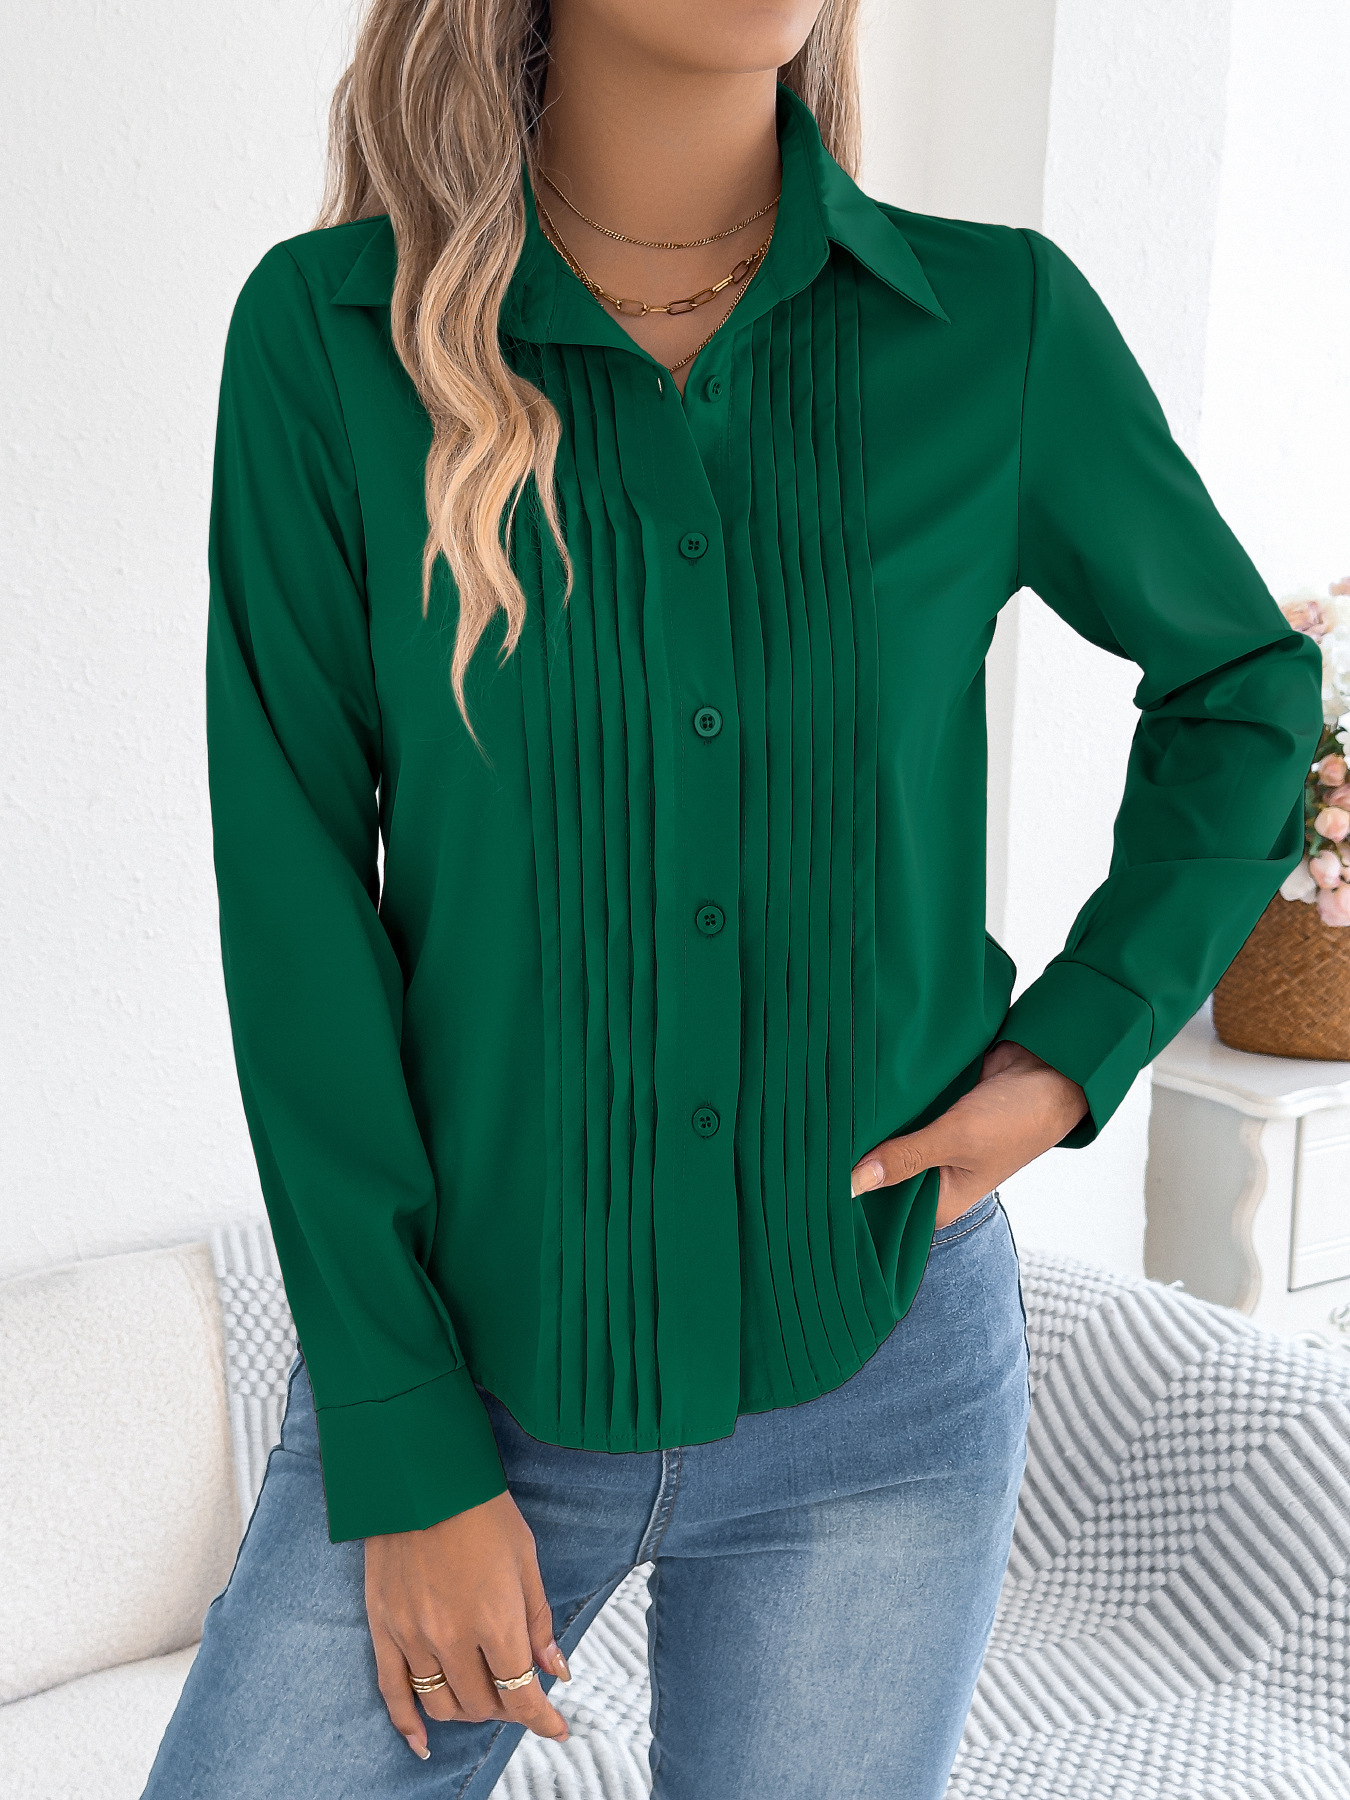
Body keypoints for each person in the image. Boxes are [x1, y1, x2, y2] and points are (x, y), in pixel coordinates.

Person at [140, 0, 1324, 1795]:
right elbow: (294, 903)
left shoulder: (994, 324)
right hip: (473, 1376)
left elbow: (1241, 688)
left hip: (887, 1377)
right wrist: (410, 1449)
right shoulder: (330, 341)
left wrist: (1069, 1056)